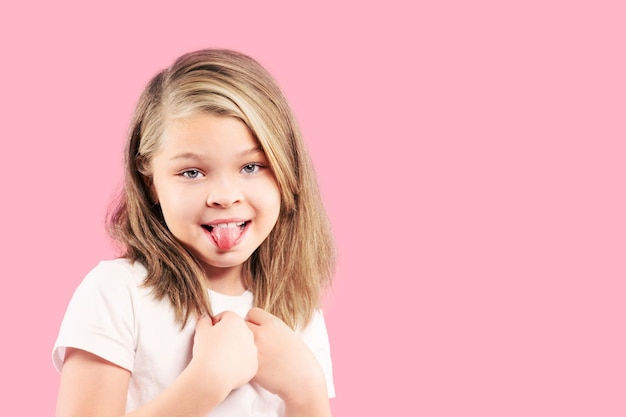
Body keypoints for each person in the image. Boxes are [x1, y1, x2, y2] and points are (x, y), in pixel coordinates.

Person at [52, 49, 336, 417]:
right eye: (192, 173)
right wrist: (205, 384)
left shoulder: (298, 312)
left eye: (251, 166)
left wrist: (307, 391)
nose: (224, 196)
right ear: (149, 180)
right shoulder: (117, 294)